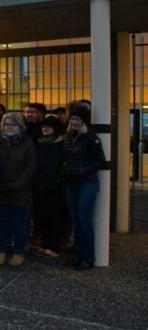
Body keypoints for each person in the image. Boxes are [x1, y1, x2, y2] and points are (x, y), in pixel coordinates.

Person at [0, 112, 37, 267]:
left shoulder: (27, 143)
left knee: (20, 223)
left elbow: (30, 167)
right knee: (2, 223)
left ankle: (18, 252)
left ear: (20, 127)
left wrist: (17, 184)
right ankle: (1, 251)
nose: (9, 127)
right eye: (6, 124)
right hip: (1, 189)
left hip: (20, 191)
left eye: (13, 124)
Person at [63, 105, 105, 270]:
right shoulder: (68, 137)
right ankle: (78, 256)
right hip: (72, 182)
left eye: (77, 119)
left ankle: (88, 258)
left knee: (84, 219)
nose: (74, 122)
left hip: (87, 182)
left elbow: (100, 161)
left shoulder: (91, 138)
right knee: (76, 220)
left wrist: (82, 171)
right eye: (72, 119)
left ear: (83, 121)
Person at [33, 115, 66, 258]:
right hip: (39, 185)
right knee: (42, 215)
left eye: (49, 126)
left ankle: (54, 246)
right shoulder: (39, 143)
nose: (45, 129)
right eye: (43, 126)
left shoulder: (61, 144)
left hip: (56, 186)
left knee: (55, 216)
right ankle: (46, 244)